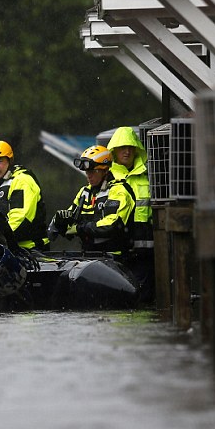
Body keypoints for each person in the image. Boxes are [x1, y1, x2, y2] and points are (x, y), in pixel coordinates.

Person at [50, 145, 135, 256]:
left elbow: (111, 225)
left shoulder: (119, 190)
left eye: (93, 171)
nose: (89, 176)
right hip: (89, 256)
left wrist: (80, 228)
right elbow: (72, 219)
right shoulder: (84, 192)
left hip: (115, 257)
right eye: (86, 172)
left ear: (105, 170)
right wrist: (60, 221)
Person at [107, 127, 155, 303]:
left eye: (131, 147)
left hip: (145, 250)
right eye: (122, 147)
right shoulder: (108, 176)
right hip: (117, 251)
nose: (127, 151)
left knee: (144, 298)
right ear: (114, 150)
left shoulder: (148, 176)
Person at [0, 139, 49, 251]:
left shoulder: (22, 180)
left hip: (30, 251)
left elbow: (20, 219)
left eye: (0, 161)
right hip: (1, 248)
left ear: (9, 161)